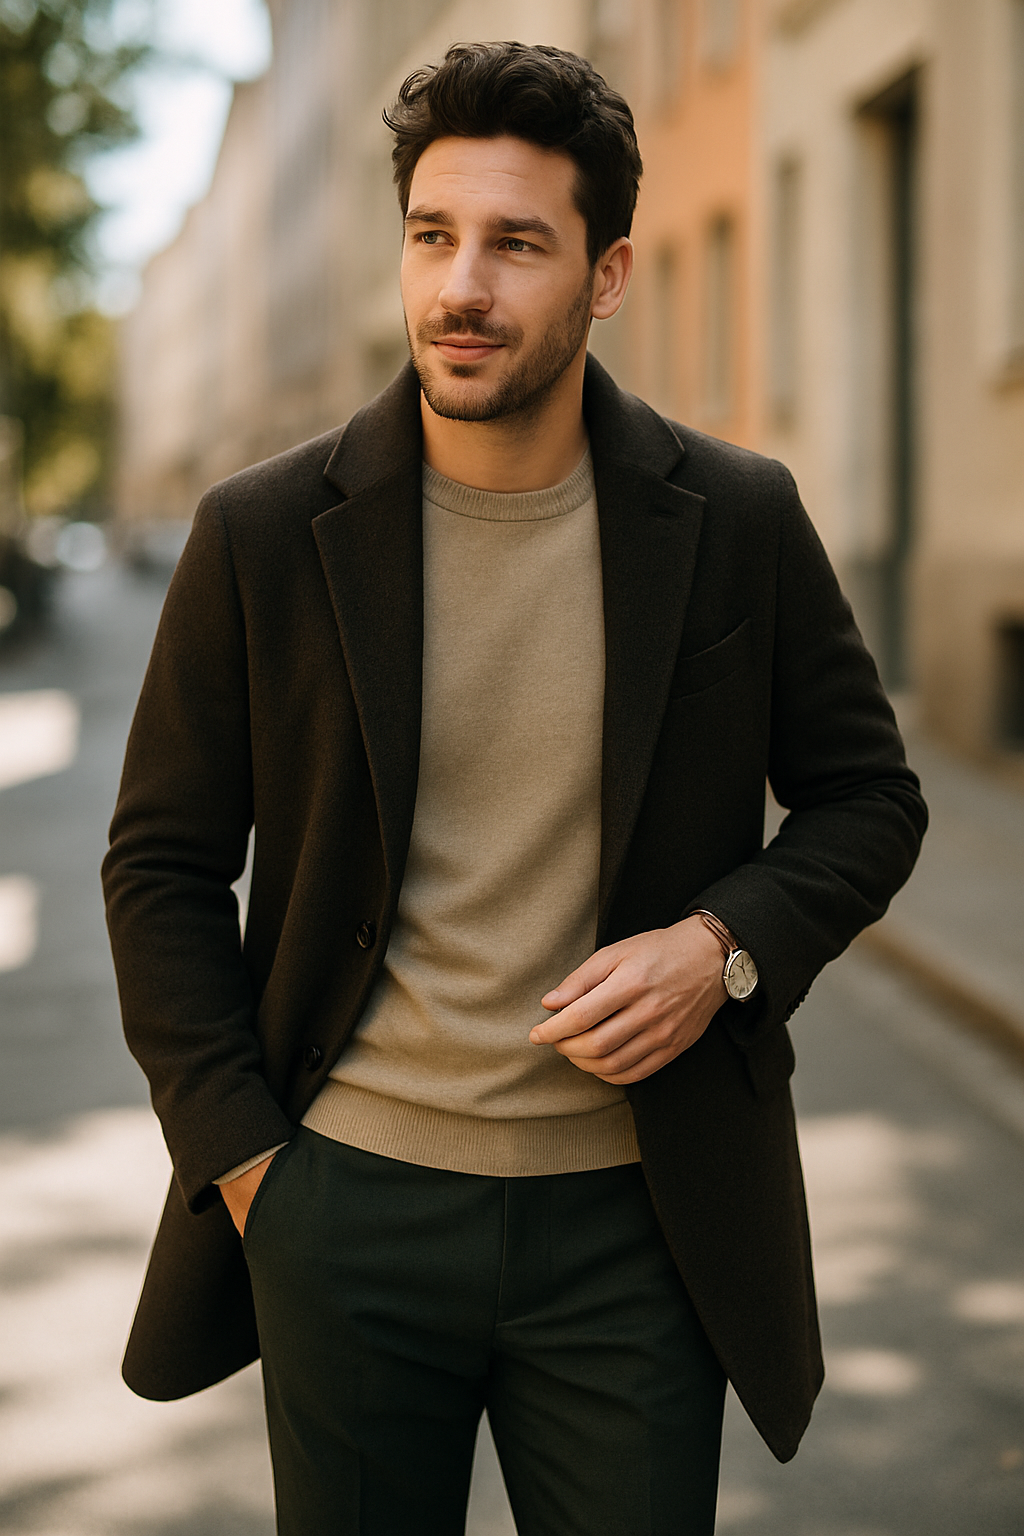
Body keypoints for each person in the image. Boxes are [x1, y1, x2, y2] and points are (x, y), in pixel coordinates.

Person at [103, 41, 927, 1536]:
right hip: (343, 1204)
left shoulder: (735, 518)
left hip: (641, 1220)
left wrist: (722, 948)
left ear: (607, 277)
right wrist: (247, 1169)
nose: (460, 286)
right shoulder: (264, 532)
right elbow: (157, 865)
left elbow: (870, 798)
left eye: (515, 244)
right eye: (433, 235)